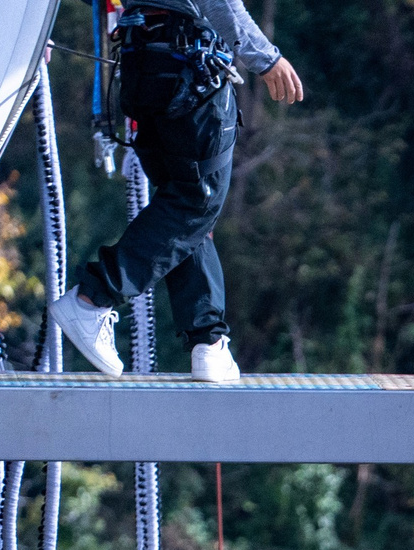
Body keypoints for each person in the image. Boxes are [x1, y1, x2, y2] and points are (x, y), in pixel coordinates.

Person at [50, 0, 304, 383]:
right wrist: (266, 59)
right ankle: (94, 296)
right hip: (187, 71)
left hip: (143, 69)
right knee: (194, 204)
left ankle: (209, 342)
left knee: (185, 208)